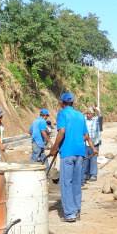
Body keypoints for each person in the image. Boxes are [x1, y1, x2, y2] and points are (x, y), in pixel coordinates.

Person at [49, 91, 96, 222]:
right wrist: (92, 148)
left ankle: (70, 214)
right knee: (76, 183)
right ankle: (77, 210)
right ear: (72, 102)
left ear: (62, 103)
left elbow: (62, 131)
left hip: (67, 153)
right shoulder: (80, 116)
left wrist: (54, 148)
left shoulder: (62, 114)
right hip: (80, 152)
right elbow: (86, 135)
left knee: (66, 183)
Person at [84, 106, 102, 182]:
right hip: (86, 143)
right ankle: (86, 174)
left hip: (95, 143)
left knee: (93, 159)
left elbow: (100, 115)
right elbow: (80, 116)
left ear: (92, 114)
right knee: (86, 160)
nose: (88, 115)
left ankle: (93, 175)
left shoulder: (96, 120)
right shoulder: (84, 120)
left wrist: (96, 109)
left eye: (90, 113)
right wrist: (85, 111)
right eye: (87, 113)